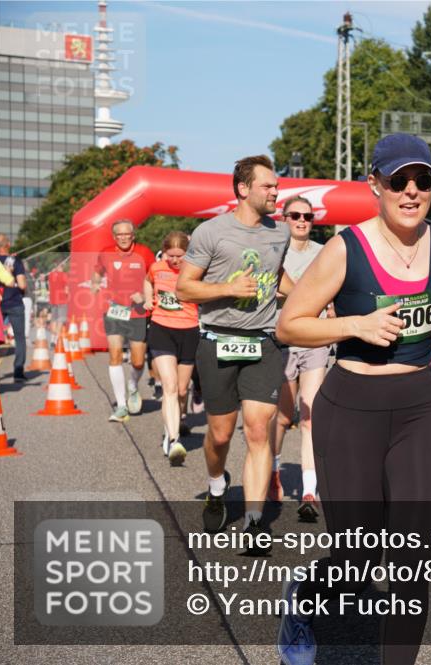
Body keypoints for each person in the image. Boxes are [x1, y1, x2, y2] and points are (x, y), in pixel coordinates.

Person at [274, 133, 431, 665]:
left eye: (423, 181)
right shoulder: (347, 247)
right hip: (351, 407)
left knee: (412, 561)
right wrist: (356, 324)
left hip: (419, 405)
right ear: (376, 185)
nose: (411, 192)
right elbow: (289, 326)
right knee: (359, 557)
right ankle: (306, 596)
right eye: (399, 181)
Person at [176, 154, 294, 547]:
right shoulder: (211, 232)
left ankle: (256, 521)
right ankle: (215, 485)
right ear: (243, 189)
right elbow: (184, 288)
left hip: (263, 340)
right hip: (217, 340)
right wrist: (228, 288)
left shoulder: (280, 233)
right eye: (268, 186)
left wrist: (313, 298)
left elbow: (278, 278)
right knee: (222, 435)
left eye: (276, 186)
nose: (275, 191)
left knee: (260, 430)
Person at [269, 196, 330, 523]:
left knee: (310, 415)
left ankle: (309, 491)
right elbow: (269, 288)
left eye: (308, 216)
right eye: (296, 215)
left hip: (315, 339)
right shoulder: (273, 247)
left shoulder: (323, 253)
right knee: (281, 418)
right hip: (280, 340)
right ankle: (274, 470)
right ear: (285, 217)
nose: (302, 220)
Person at [143, 231, 199, 466]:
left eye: (180, 256)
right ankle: (174, 438)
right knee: (170, 386)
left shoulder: (195, 270)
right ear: (164, 251)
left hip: (188, 330)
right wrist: (148, 299)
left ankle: (173, 425)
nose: (175, 260)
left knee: (182, 390)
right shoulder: (157, 268)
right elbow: (147, 281)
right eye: (171, 255)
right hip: (161, 328)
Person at [92, 221, 155, 417]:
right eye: (119, 234)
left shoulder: (145, 253)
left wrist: (145, 297)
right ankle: (121, 404)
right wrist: (95, 287)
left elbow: (154, 279)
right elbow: (97, 273)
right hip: (114, 309)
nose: (124, 237)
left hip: (137, 312)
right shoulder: (106, 253)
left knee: (137, 361)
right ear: (114, 237)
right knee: (115, 356)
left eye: (127, 234)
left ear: (133, 235)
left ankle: (133, 385)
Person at [0, 234, 28, 382]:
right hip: (14, 302)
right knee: (20, 338)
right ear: (8, 244)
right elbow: (22, 285)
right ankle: (18, 372)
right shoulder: (15, 261)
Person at [47, 261, 69, 340]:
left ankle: (52, 338)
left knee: (54, 318)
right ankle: (57, 338)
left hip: (53, 300)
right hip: (62, 300)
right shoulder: (64, 275)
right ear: (62, 266)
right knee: (61, 319)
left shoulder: (50, 275)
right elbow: (67, 289)